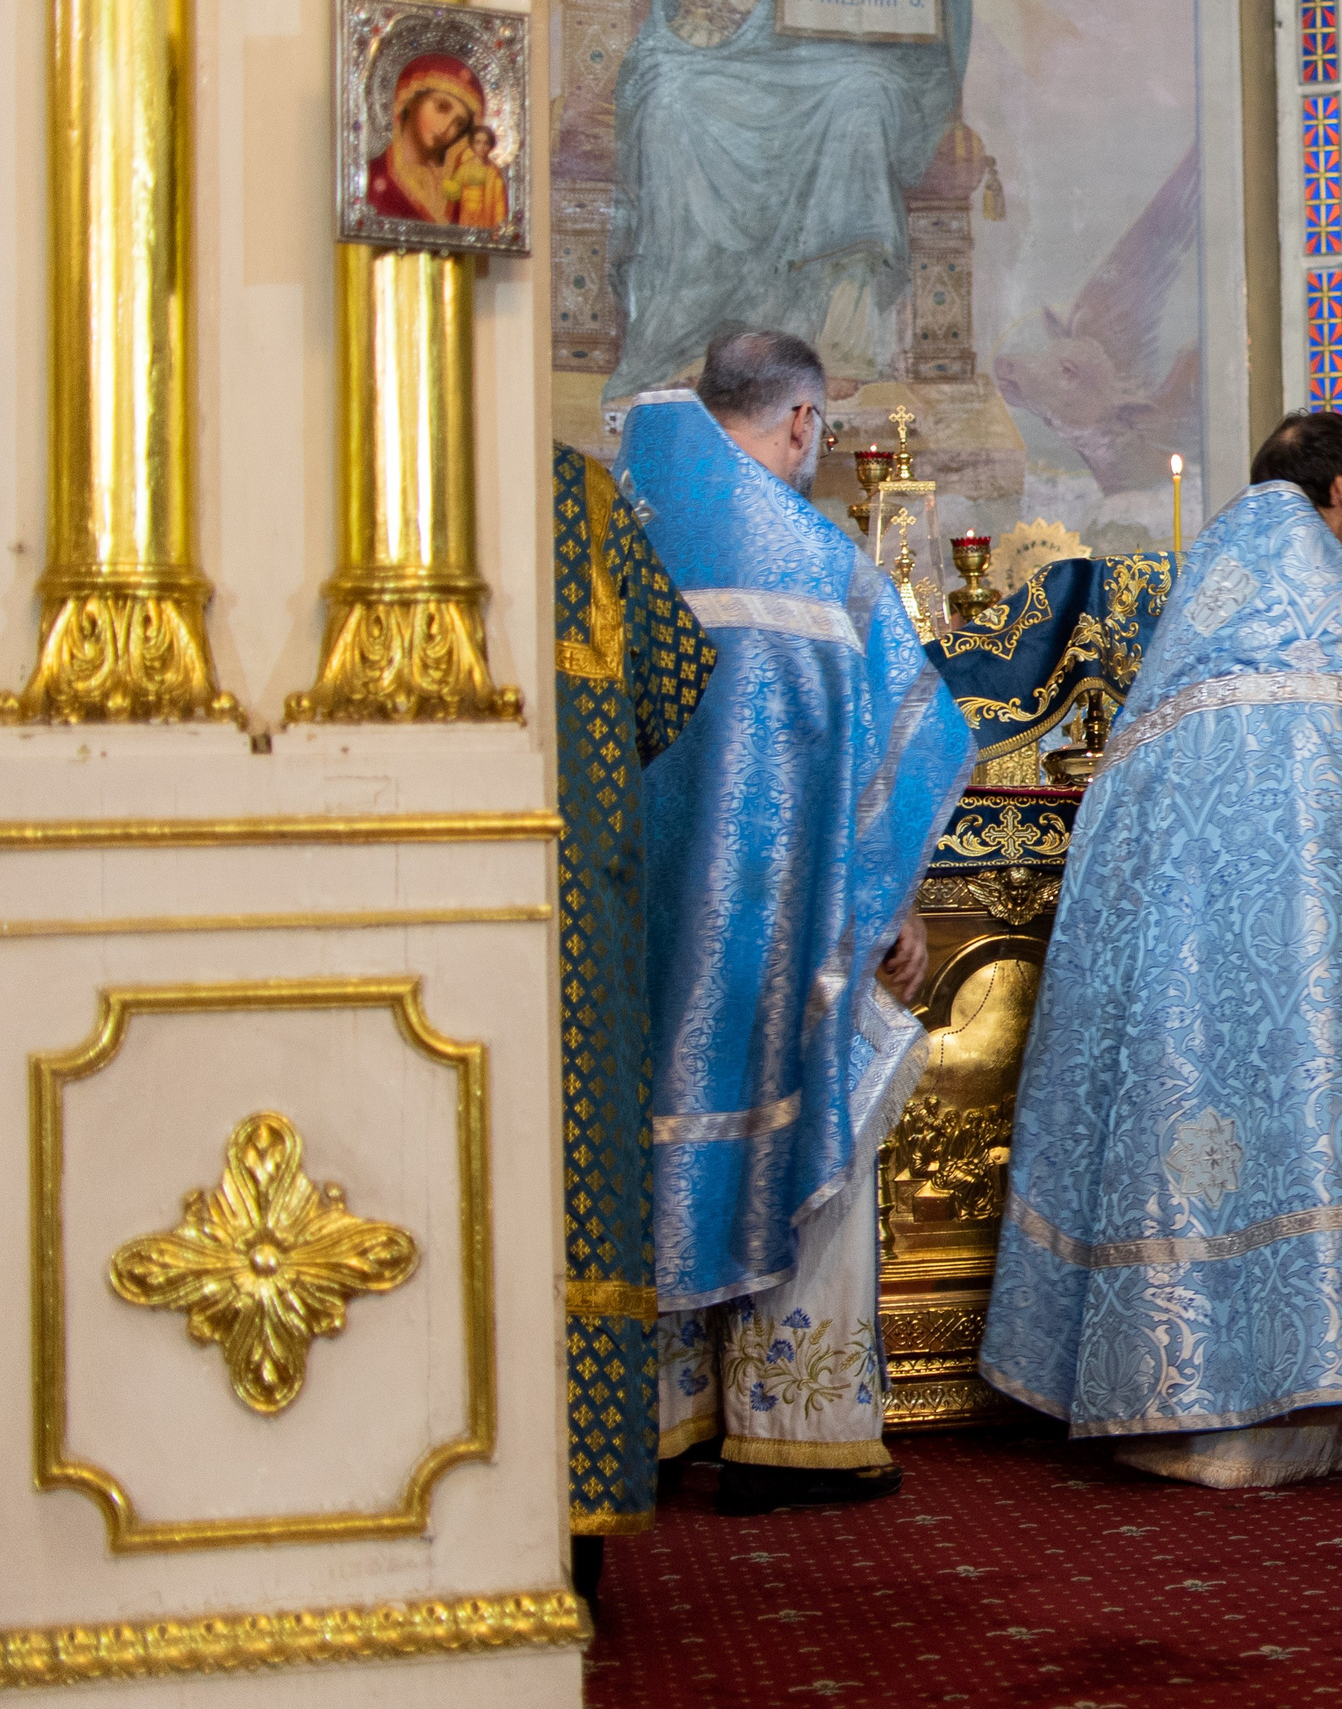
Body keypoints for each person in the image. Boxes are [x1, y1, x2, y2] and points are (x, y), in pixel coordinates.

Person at [979, 410, 1342, 1487]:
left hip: (1183, 1018)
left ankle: (1186, 1393)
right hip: (1335, 1004)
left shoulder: (1179, 657)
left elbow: (1104, 862)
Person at [619, 329, 974, 1514]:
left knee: (642, 1134)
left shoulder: (612, 529)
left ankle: (657, 1413)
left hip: (628, 931)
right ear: (803, 426)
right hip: (779, 931)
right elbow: (915, 741)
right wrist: (884, 903)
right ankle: (791, 1418)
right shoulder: (822, 566)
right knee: (805, 1113)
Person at [553, 442, 714, 1589]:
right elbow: (671, 686)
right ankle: (570, 1536)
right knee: (576, 1181)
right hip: (568, 906)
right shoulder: (579, 495)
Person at [607, 0, 969, 397]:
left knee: (864, 96)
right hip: (731, 50)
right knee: (670, 98)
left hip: (849, 53)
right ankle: (692, 344)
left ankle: (839, 350)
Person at [365, 53, 484, 224]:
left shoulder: (454, 194)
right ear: (411, 99)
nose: (446, 128)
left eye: (459, 124)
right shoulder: (372, 176)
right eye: (441, 107)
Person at [444, 124, 509, 230]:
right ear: (472, 144)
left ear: (491, 146)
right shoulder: (464, 168)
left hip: (485, 217)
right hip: (465, 217)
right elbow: (452, 196)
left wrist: (499, 224)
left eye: (486, 143)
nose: (482, 148)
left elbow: (499, 201)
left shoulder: (494, 171)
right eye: (478, 142)